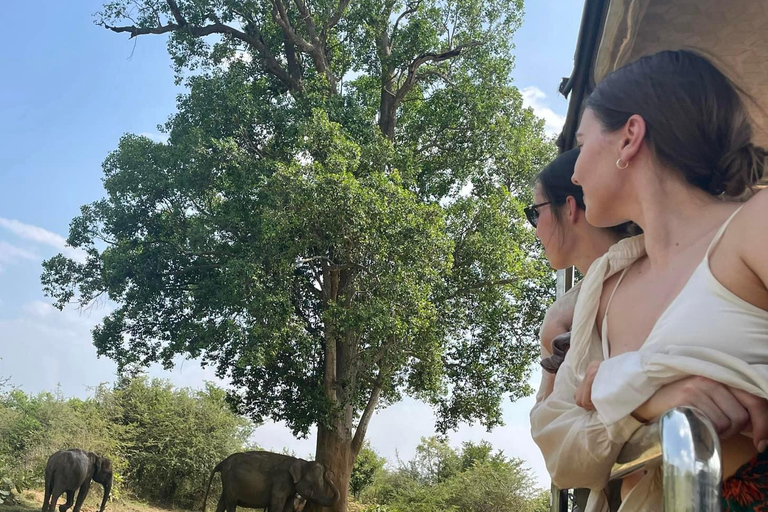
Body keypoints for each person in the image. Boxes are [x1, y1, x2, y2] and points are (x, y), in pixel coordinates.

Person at [531, 49, 768, 512]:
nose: (575, 173)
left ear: (629, 138)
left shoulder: (755, 223)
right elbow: (558, 448)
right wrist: (643, 396)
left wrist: (616, 387)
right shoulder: (605, 287)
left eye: (582, 145)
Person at [526, 148, 632, 404]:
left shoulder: (637, 286)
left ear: (570, 207)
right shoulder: (564, 313)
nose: (536, 229)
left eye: (535, 212)